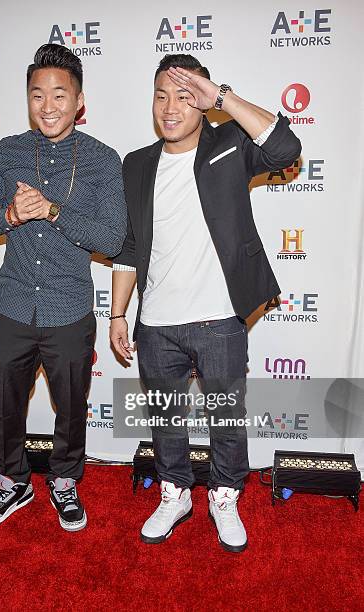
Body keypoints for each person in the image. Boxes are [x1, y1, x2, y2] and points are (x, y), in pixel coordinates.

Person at [110, 54, 301, 551]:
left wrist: (220, 97)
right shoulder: (136, 164)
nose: (171, 108)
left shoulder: (231, 145)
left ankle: (225, 496)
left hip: (219, 319)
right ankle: (175, 493)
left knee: (225, 420)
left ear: (202, 100)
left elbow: (286, 147)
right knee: (166, 422)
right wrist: (116, 314)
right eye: (162, 95)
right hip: (155, 324)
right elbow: (129, 247)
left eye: (184, 95)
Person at [0, 43, 126, 531]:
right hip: (12, 305)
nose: (49, 105)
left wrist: (52, 211)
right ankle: (11, 482)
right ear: (28, 100)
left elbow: (113, 237)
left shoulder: (102, 161)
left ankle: (64, 481)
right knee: (6, 406)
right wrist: (12, 214)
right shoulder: (8, 151)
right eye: (38, 95)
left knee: (72, 408)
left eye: (60, 94)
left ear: (79, 101)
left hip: (69, 309)